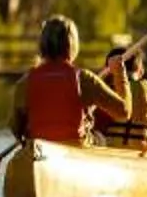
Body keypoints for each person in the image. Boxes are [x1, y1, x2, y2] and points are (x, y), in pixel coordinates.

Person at [8, 15, 135, 148]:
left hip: (39, 152)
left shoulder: (25, 82)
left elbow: (16, 129)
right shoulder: (84, 79)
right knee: (100, 138)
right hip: (75, 152)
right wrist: (120, 73)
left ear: (42, 45)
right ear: (72, 44)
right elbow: (124, 113)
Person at [93, 37, 147, 149]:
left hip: (110, 152)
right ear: (141, 70)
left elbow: (95, 127)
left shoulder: (105, 90)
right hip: (139, 152)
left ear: (108, 71)